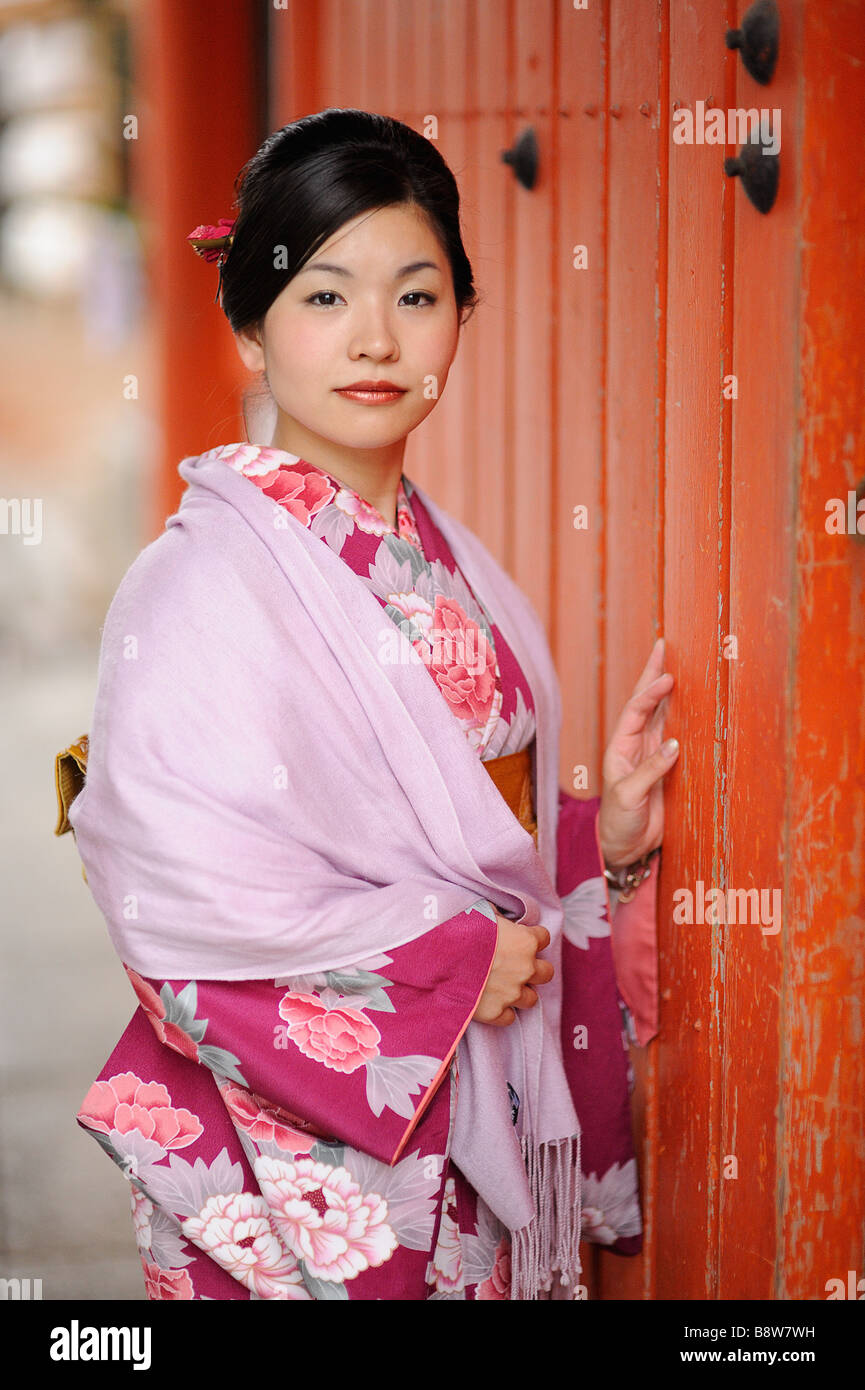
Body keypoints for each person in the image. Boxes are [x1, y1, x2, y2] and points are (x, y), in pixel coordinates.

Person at [57, 108, 678, 1301]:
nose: (376, 340)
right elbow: (167, 883)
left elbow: (479, 844)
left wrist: (607, 841)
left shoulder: (452, 561)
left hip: (474, 1095)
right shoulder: (193, 583)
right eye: (325, 297)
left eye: (417, 294)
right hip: (295, 1151)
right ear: (250, 328)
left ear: (459, 318)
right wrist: (447, 961)